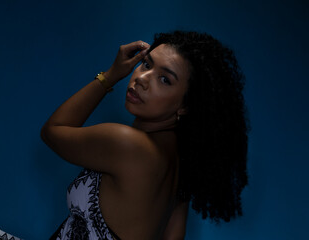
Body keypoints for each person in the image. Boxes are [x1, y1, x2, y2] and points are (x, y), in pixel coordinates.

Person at [41, 30, 249, 240]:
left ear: (186, 106)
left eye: (164, 79)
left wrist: (111, 75)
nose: (141, 78)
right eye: (147, 64)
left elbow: (52, 131)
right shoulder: (181, 168)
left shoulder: (127, 144)